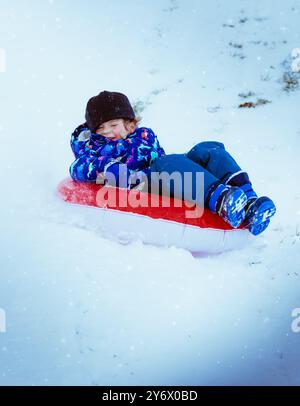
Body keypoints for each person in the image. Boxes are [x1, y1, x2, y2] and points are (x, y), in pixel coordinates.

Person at [69, 90, 276, 235]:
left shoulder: (143, 137)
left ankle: (249, 202)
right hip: (143, 188)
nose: (107, 132)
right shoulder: (93, 149)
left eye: (113, 125)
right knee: (167, 163)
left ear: (131, 125)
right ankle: (223, 200)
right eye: (100, 129)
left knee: (208, 149)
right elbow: (78, 167)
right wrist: (108, 169)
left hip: (167, 178)